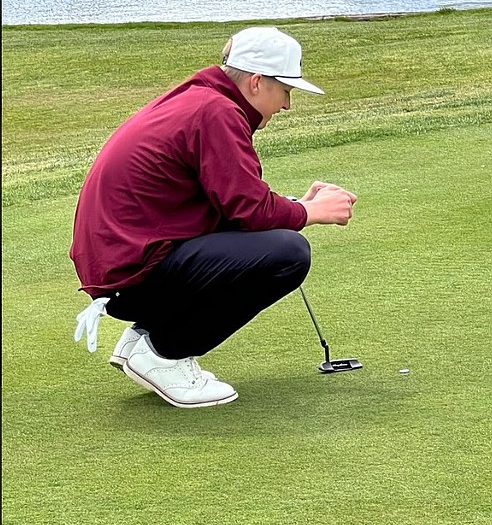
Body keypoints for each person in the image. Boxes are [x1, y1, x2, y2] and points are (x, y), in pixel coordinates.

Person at [70, 26, 357, 409]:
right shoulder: (217, 111)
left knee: (276, 241)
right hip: (133, 277)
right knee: (289, 254)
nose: (287, 105)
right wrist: (310, 212)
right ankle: (164, 353)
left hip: (126, 269)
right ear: (256, 82)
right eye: (286, 91)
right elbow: (249, 210)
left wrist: (293, 206)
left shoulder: (201, 100)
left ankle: (143, 339)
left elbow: (233, 204)